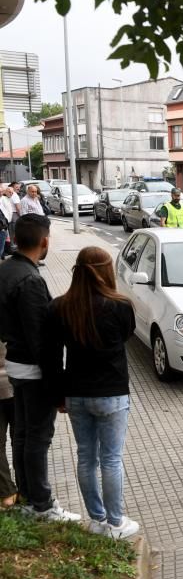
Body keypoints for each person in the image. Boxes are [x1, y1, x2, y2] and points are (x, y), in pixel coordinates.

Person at [42, 247, 139, 539]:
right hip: (111, 394)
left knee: (86, 457)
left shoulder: (60, 306)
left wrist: (58, 395)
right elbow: (125, 337)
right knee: (111, 459)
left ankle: (97, 521)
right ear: (106, 270)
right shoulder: (121, 305)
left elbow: (51, 355)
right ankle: (116, 523)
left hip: (76, 394)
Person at [0, 214, 80, 522]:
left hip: (15, 366)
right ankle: (42, 504)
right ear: (44, 241)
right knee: (37, 437)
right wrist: (58, 389)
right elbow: (42, 343)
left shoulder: (6, 270)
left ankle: (27, 496)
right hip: (33, 372)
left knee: (22, 435)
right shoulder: (30, 280)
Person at [0, 341, 17, 507]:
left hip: (16, 382)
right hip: (18, 381)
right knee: (22, 440)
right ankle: (28, 491)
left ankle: (7, 495)